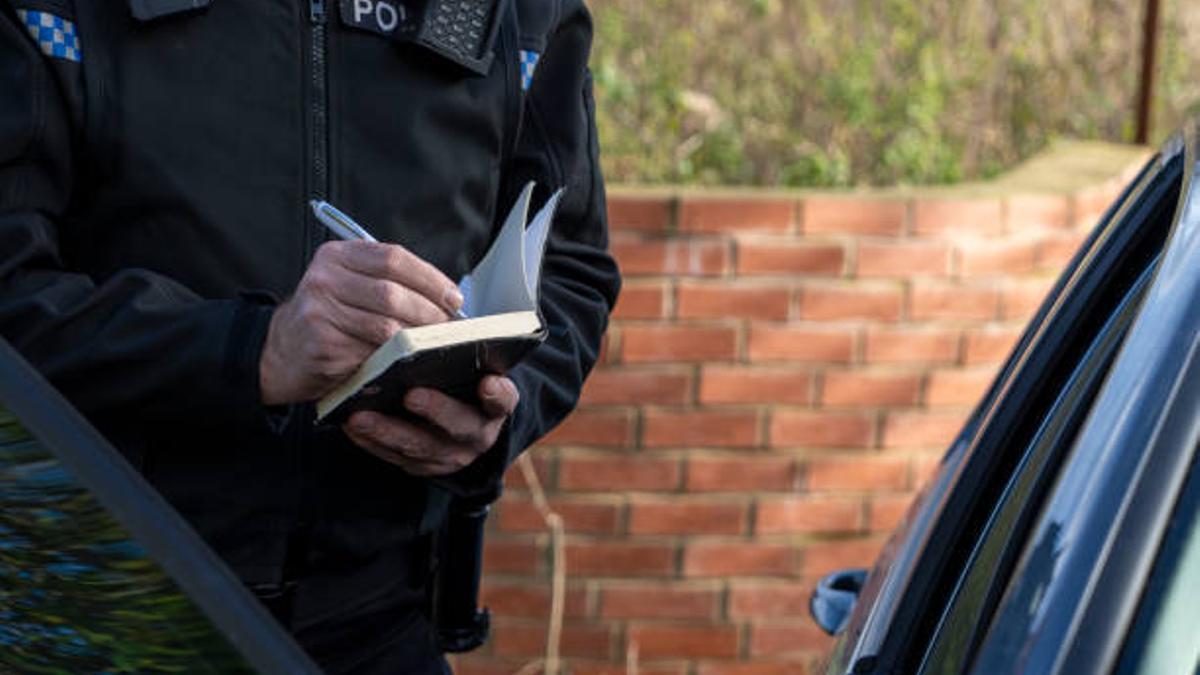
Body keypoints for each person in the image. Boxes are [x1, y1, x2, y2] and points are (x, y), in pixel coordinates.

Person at [0, 0, 619, 672]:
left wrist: (501, 403)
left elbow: (569, 266)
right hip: (96, 616)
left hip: (382, 623)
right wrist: (250, 349)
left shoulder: (524, 13)